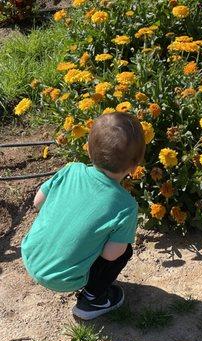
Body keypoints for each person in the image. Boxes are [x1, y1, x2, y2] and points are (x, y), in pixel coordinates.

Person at [21, 112, 145, 320]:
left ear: (88, 149)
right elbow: (111, 255)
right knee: (124, 251)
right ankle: (92, 299)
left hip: (30, 256)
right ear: (134, 167)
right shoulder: (126, 206)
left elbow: (38, 202)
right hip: (63, 279)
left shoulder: (71, 170)